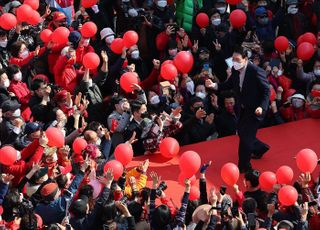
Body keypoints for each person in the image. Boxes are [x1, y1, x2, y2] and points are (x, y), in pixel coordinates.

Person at [206, 47, 270, 173]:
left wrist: (262, 107)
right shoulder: (235, 70)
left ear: (245, 59)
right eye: (233, 59)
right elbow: (228, 84)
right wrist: (214, 85)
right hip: (242, 107)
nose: (235, 62)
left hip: (255, 109)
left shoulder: (255, 71)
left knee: (245, 138)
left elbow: (266, 90)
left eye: (238, 59)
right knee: (242, 132)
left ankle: (244, 166)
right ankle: (260, 148)